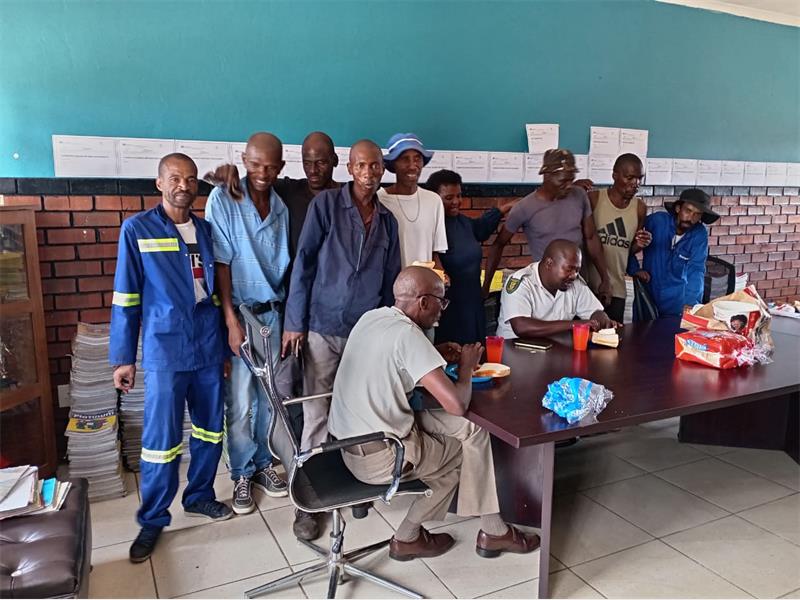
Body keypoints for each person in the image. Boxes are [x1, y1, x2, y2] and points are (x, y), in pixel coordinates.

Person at [328, 266, 540, 560]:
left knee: (473, 430)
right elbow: (456, 403)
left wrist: (435, 351)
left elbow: (396, 359)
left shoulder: (373, 317)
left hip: (349, 443)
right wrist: (467, 367)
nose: (444, 308)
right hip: (380, 455)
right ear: (423, 302)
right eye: (442, 300)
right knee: (462, 452)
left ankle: (491, 529)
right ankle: (415, 536)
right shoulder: (408, 335)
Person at [110, 153, 231, 563]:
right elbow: (126, 299)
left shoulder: (207, 230)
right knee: (161, 441)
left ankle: (199, 495)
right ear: (159, 183)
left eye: (192, 179)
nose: (184, 185)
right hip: (165, 348)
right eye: (175, 178)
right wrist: (122, 357)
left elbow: (217, 289)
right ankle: (153, 518)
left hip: (208, 345)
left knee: (211, 430)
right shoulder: (137, 229)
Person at [283, 139, 401, 540]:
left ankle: (355, 484)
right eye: (362, 166)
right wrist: (294, 322)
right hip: (322, 325)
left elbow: (389, 283)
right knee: (317, 415)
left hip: (364, 333)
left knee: (359, 412)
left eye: (376, 166)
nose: (370, 173)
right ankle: (307, 502)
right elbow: (304, 264)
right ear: (349, 168)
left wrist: (387, 333)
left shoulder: (387, 222)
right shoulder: (327, 206)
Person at [205, 132, 291, 517]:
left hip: (272, 312)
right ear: (243, 159)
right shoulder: (222, 198)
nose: (263, 172)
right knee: (239, 400)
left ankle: (262, 466)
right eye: (255, 164)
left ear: (281, 168)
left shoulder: (280, 209)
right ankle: (240, 471)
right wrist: (229, 319)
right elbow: (220, 263)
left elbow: (283, 267)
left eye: (271, 166)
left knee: (271, 399)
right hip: (240, 313)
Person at [482, 149, 612, 306]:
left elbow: (591, 238)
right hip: (546, 290)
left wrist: (605, 278)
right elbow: (498, 245)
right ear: (547, 175)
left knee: (585, 328)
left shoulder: (579, 196)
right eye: (563, 181)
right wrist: (486, 286)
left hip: (579, 283)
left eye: (571, 180)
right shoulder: (524, 207)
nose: (568, 186)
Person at [425, 169, 512, 345]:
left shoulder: (463, 223)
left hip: (473, 303)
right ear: (433, 199)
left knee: (476, 359)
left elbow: (481, 228)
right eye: (449, 198)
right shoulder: (430, 227)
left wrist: (504, 209)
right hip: (448, 310)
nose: (456, 201)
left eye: (459, 195)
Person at [496, 239, 618, 339]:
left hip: (555, 352)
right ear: (549, 263)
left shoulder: (574, 283)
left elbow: (595, 311)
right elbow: (521, 327)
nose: (574, 275)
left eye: (577, 270)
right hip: (514, 353)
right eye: (569, 269)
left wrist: (602, 319)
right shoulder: (521, 282)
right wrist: (576, 324)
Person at [584, 154, 652, 322]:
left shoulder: (640, 208)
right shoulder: (594, 199)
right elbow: (585, 240)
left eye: (639, 178)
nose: (635, 184)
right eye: (629, 178)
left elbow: (628, 250)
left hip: (617, 289)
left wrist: (640, 244)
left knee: (612, 340)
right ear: (614, 175)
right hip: (587, 287)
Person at [630, 188, 719, 317]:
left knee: (671, 335)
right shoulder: (656, 221)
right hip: (648, 293)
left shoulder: (699, 234)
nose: (691, 218)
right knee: (641, 334)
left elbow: (696, 269)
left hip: (677, 300)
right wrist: (634, 269)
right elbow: (628, 245)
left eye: (697, 214)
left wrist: (691, 304)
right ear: (678, 209)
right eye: (688, 211)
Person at [377, 133, 448, 268]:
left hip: (424, 285)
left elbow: (434, 254)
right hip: (392, 284)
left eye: (417, 159)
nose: (412, 165)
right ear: (393, 164)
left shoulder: (433, 201)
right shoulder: (380, 200)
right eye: (405, 159)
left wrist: (441, 276)